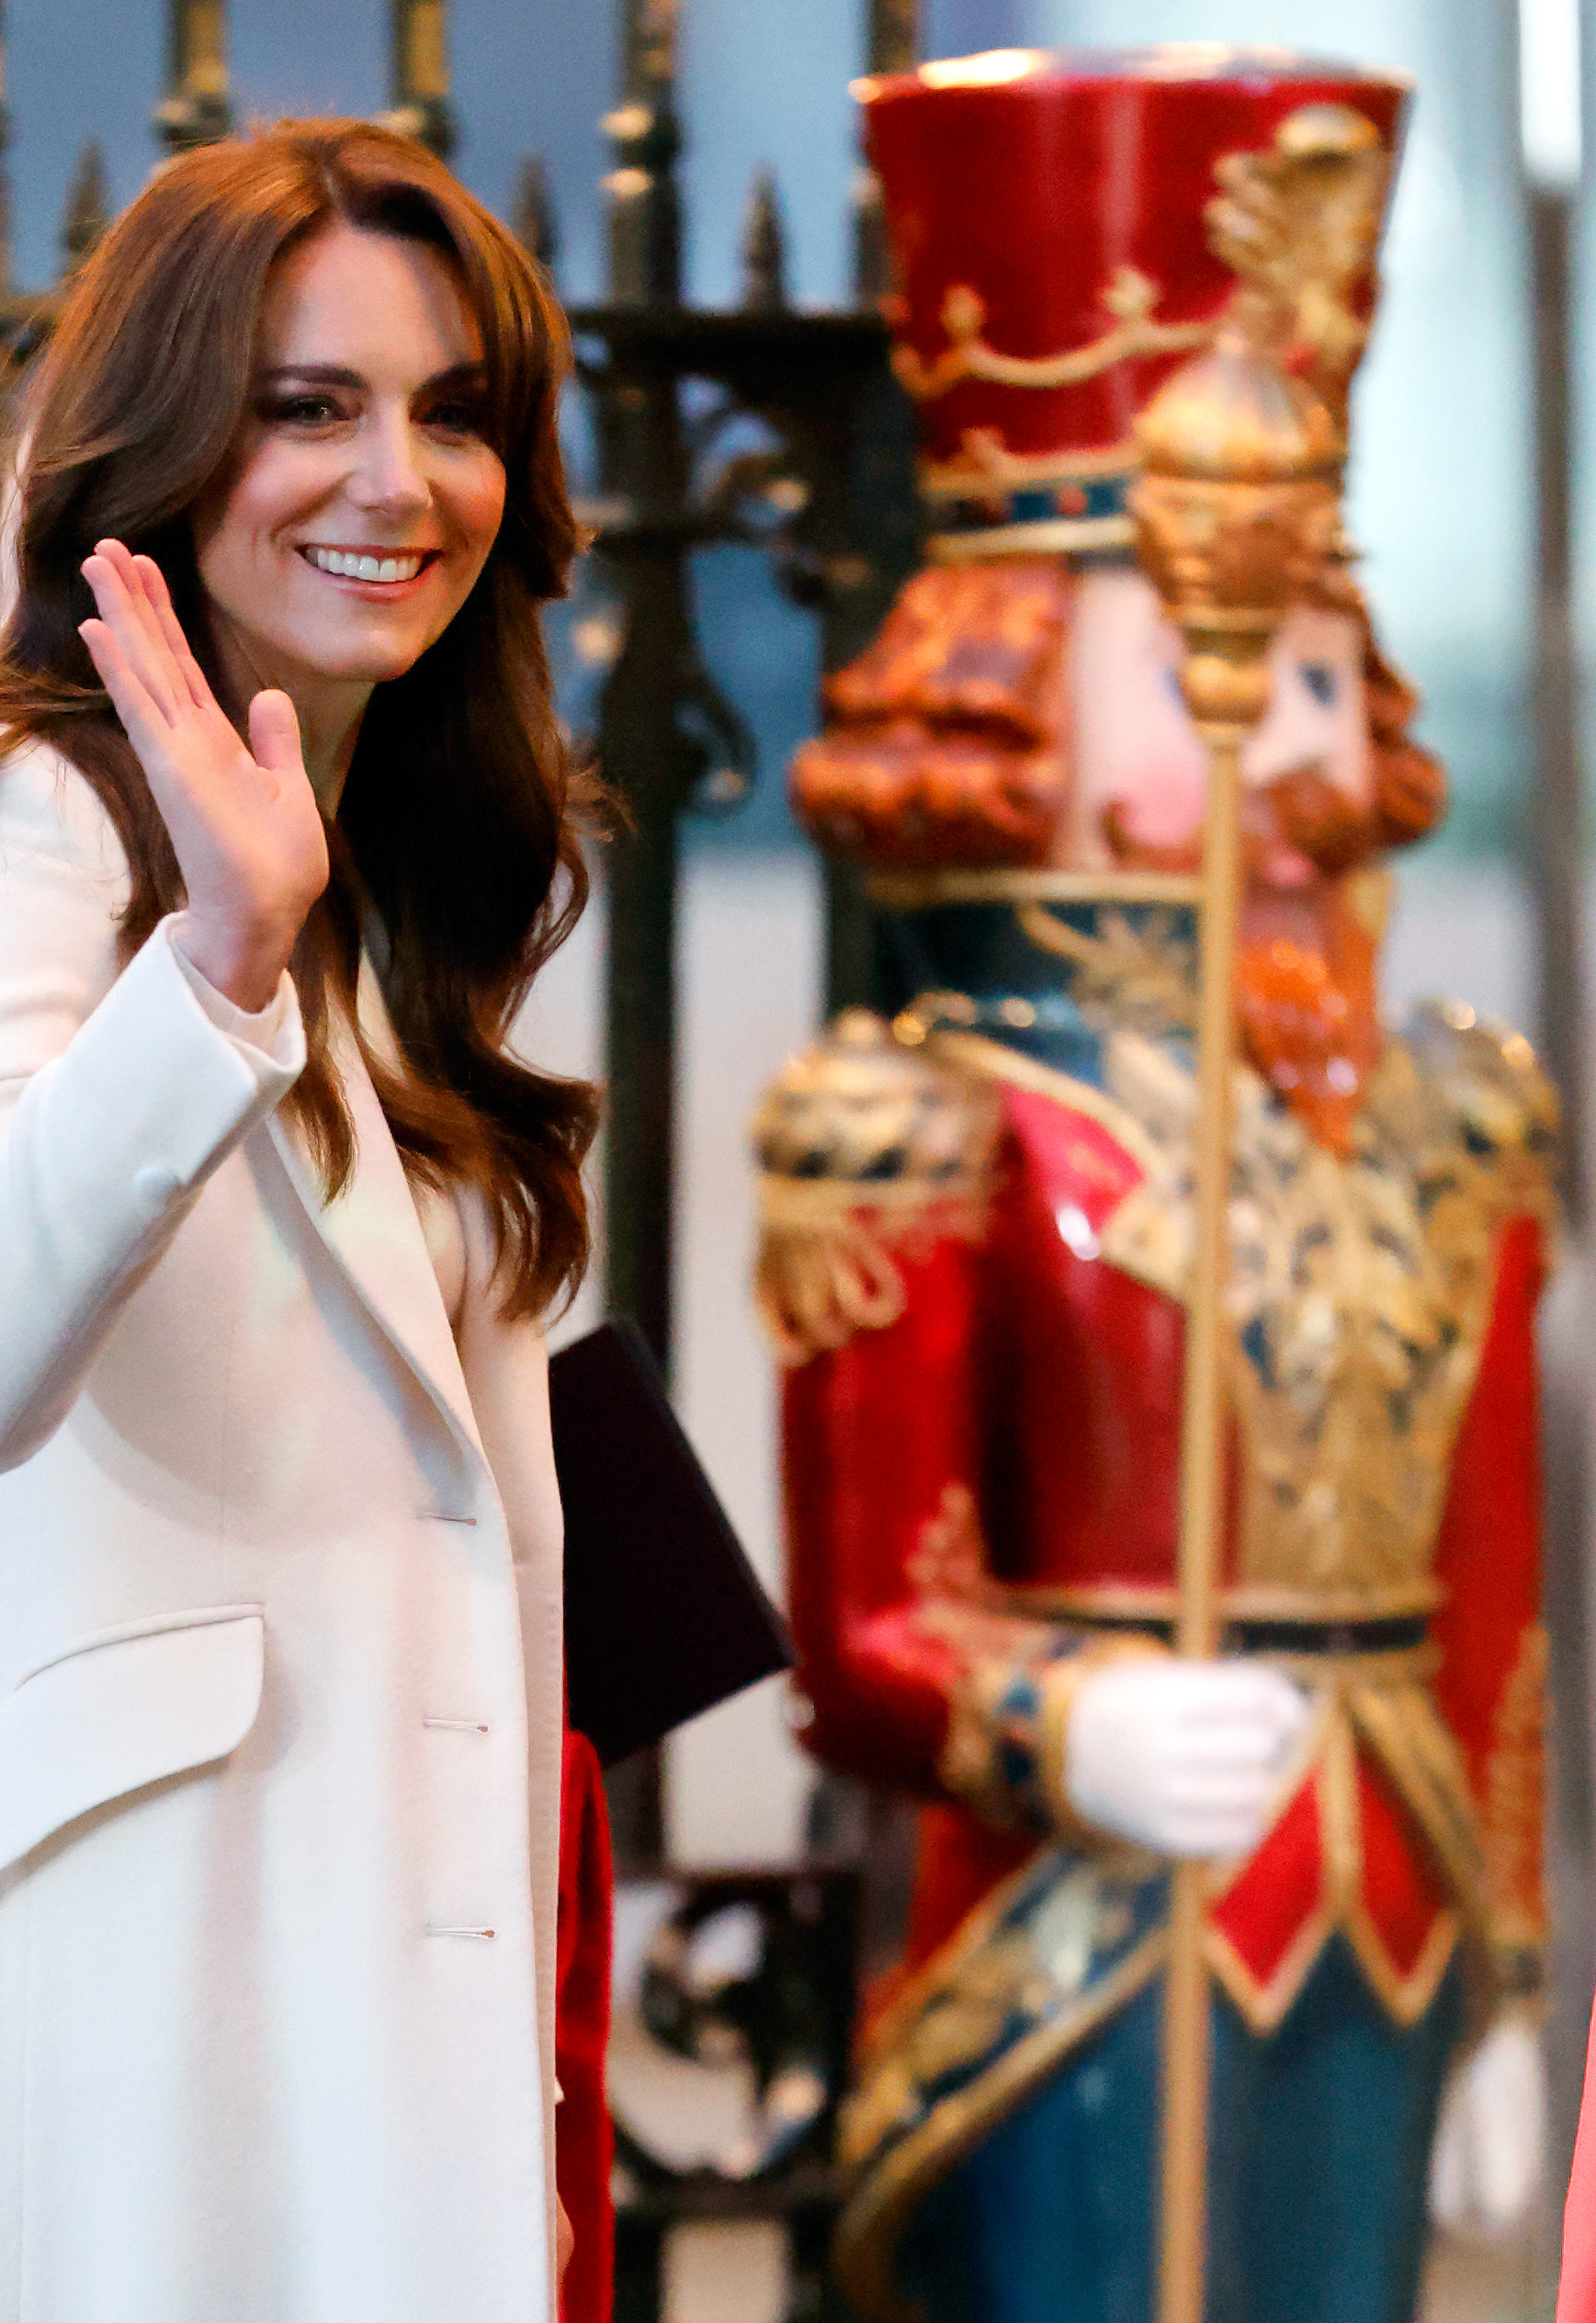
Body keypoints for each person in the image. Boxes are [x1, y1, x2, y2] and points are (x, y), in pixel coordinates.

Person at [0, 118, 608, 2323]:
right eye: (310, 405)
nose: (399, 478)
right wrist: (211, 975)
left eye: (453, 413)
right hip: (139, 2042)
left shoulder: (403, 896)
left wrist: (531, 2126)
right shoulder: (10, 801)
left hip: (407, 2057)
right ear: (169, 442)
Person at [754, 52, 1549, 2323]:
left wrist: (1510, 1970)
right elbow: (865, 1629)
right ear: (1008, 691)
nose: (1292, 745)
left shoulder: (1453, 1124)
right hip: (1078, 1928)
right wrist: (1071, 1724)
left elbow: (1493, 1609)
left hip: (1383, 1908)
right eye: (1208, 666)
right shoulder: (930, 1125)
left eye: (1318, 664)